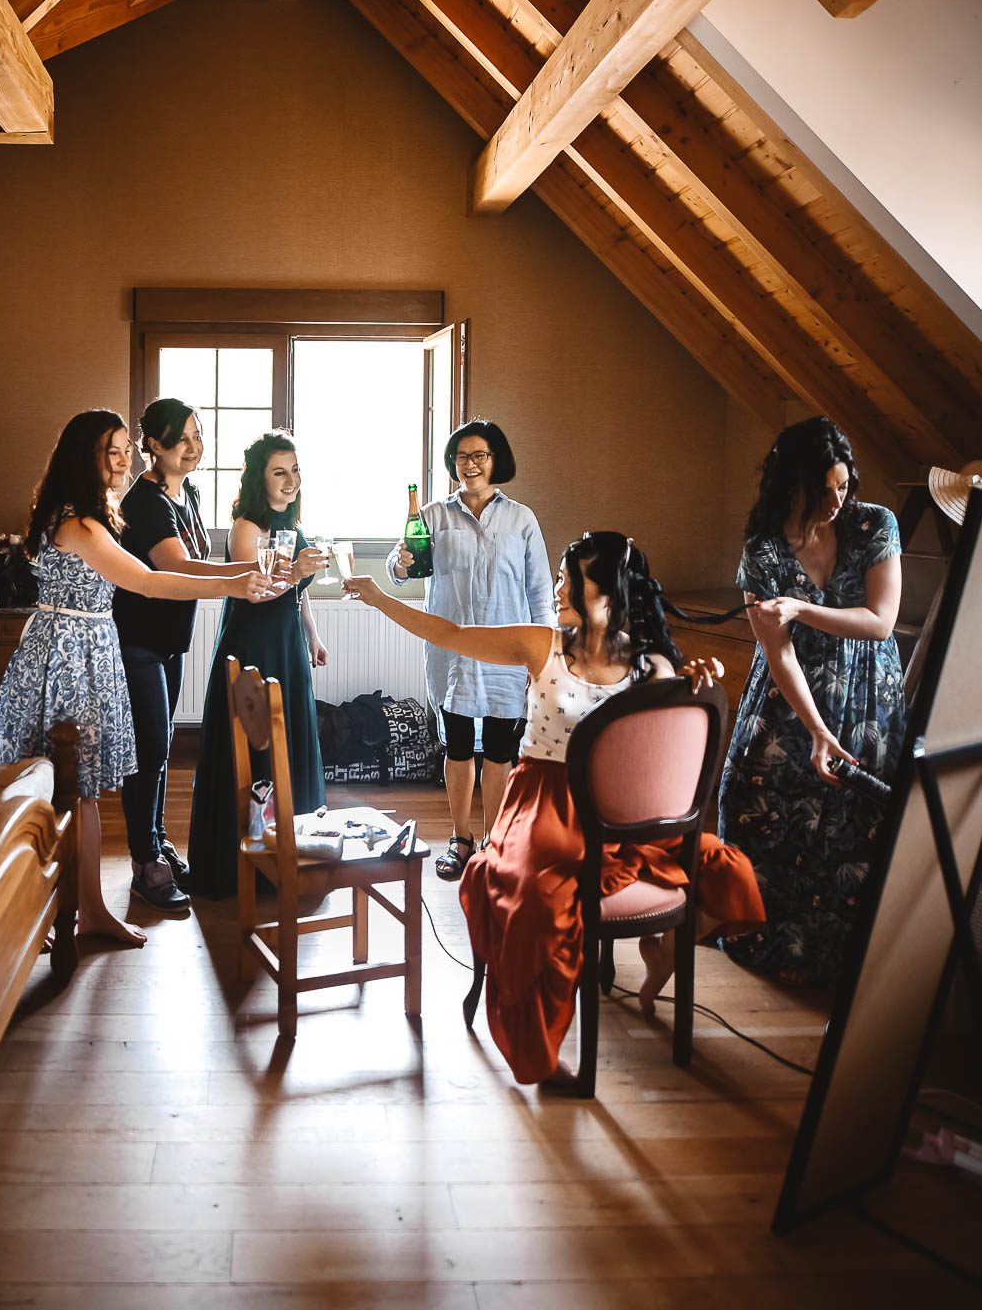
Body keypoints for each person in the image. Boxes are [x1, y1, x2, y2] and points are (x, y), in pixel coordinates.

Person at [346, 531, 764, 1084]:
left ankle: (664, 948)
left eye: (570, 577)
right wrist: (379, 597)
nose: (557, 586)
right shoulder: (541, 643)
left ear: (609, 594)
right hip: (542, 801)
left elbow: (673, 737)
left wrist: (697, 678)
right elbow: (449, 633)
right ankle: (539, 1050)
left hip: (620, 810)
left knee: (725, 866)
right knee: (535, 901)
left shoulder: (653, 664)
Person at [0, 409, 264, 946]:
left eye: (123, 449)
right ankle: (80, 909)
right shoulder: (79, 523)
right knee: (69, 787)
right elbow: (149, 582)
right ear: (82, 458)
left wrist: (236, 578)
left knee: (70, 788)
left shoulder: (84, 515)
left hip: (77, 646)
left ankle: (74, 905)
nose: (123, 460)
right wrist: (234, 586)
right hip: (70, 655)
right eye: (109, 451)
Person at [718, 417, 905, 986]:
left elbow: (879, 623)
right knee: (752, 795)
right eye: (822, 488)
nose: (835, 500)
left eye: (843, 486)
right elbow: (780, 657)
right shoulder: (764, 552)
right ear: (791, 484)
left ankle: (841, 957)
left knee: (857, 820)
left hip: (869, 695)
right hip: (789, 700)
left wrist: (801, 610)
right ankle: (769, 945)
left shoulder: (874, 524)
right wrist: (817, 729)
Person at [386, 418, 554, 882]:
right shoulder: (435, 515)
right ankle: (460, 838)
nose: (470, 464)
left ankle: (495, 840)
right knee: (457, 745)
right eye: (462, 457)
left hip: (507, 651)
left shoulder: (521, 518)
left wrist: (546, 654)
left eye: (480, 455)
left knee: (500, 751)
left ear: (496, 460)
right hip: (452, 651)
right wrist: (399, 562)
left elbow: (540, 590)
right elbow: (402, 569)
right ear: (452, 464)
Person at [113, 399, 256, 914]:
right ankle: (144, 862)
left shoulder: (186, 492)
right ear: (153, 444)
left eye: (199, 436)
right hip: (137, 641)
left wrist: (247, 570)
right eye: (183, 439)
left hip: (168, 641)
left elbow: (201, 558)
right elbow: (176, 569)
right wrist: (238, 584)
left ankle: (154, 840)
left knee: (161, 746)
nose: (194, 448)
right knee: (149, 750)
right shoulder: (145, 503)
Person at [186, 433, 328, 898]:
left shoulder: (293, 520)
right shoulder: (247, 526)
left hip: (287, 641)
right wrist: (299, 571)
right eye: (279, 472)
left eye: (295, 470)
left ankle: (297, 852)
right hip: (254, 643)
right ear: (258, 479)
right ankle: (242, 862)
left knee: (292, 740)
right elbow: (261, 590)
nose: (291, 481)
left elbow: (296, 595)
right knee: (255, 744)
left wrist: (312, 634)